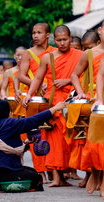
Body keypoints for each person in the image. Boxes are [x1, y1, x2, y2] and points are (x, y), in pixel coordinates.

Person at [23, 25, 83, 187]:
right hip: (54, 102)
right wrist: (29, 94)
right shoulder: (47, 57)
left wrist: (68, 80)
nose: (63, 43)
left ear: (71, 38)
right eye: (59, 40)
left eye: (65, 39)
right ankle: (57, 178)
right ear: (54, 40)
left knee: (71, 141)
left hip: (72, 102)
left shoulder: (80, 55)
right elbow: (37, 79)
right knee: (54, 141)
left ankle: (67, 174)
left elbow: (85, 76)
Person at [0, 99, 68, 191]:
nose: (12, 113)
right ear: (5, 112)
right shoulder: (8, 123)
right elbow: (32, 121)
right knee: (35, 178)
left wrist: (25, 143)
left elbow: (9, 148)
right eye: (10, 110)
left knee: (32, 171)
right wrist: (55, 109)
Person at [14, 22, 57, 184]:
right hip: (34, 99)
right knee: (35, 135)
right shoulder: (28, 53)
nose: (36, 36)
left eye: (39, 32)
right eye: (33, 33)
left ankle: (55, 170)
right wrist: (37, 83)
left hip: (52, 98)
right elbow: (21, 76)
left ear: (48, 35)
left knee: (52, 135)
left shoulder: (55, 52)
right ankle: (41, 172)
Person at [71, 20, 104, 195]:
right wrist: (80, 92)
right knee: (94, 142)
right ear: (100, 31)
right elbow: (75, 75)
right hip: (95, 100)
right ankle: (95, 173)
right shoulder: (89, 54)